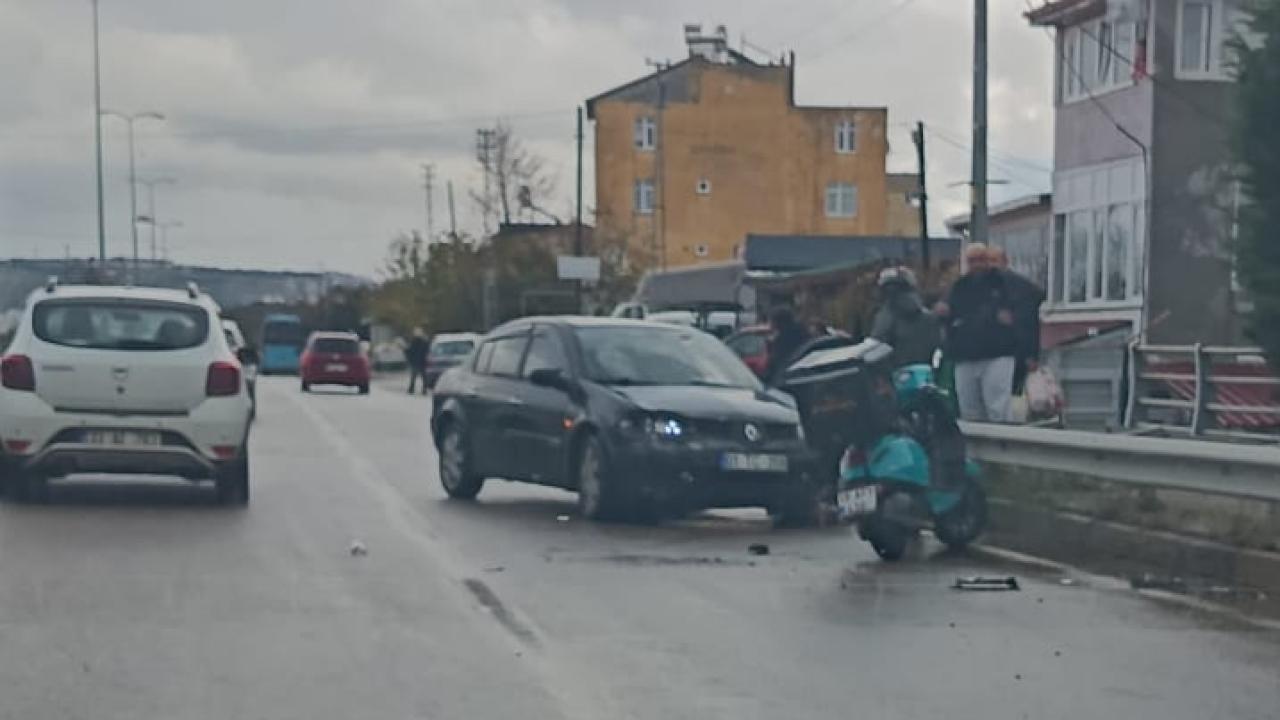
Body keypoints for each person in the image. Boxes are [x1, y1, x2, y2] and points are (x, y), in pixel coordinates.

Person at [938, 243, 1019, 422]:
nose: (977, 265)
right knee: (969, 409)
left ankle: (1001, 439)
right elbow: (948, 314)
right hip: (965, 356)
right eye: (972, 261)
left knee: (997, 408)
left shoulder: (1003, 283)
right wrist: (944, 313)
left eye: (980, 260)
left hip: (997, 354)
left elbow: (1024, 304)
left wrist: (1011, 318)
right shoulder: (959, 286)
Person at [987, 246, 1046, 394]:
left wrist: (1030, 355)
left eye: (994, 261)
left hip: (1015, 353)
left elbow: (1029, 324)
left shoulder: (1021, 288)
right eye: (988, 261)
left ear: (1005, 262)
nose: (992, 266)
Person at [870, 266, 941, 367]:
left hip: (897, 372)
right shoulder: (929, 317)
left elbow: (876, 346)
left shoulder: (887, 315)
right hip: (927, 370)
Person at [764, 306, 810, 385]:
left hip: (788, 378)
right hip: (803, 374)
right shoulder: (802, 332)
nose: (770, 324)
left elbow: (776, 360)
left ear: (779, 322)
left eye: (772, 321)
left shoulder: (783, 339)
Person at [405, 328, 430, 395]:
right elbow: (427, 350)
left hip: (415, 361)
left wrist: (405, 350)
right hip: (422, 361)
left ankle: (411, 389)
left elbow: (410, 351)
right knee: (423, 377)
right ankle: (424, 389)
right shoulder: (424, 342)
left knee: (414, 376)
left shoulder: (413, 341)